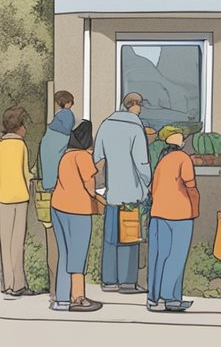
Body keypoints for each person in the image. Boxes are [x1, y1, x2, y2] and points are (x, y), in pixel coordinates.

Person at [93, 93, 151, 294]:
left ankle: (109, 280)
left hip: (111, 192)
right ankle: (127, 282)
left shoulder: (105, 124)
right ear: (136, 107)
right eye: (140, 105)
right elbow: (141, 162)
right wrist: (148, 181)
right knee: (129, 236)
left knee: (110, 238)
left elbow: (97, 158)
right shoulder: (135, 127)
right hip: (131, 192)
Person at [50, 120, 103, 312]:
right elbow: (90, 186)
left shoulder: (66, 156)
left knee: (64, 253)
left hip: (58, 206)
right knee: (78, 255)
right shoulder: (83, 157)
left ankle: (61, 299)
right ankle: (78, 297)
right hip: (77, 210)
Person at [146, 126, 199, 312]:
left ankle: (156, 298)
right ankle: (168, 296)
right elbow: (190, 185)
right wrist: (195, 206)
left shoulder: (162, 160)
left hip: (158, 213)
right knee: (176, 257)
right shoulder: (183, 159)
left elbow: (152, 189)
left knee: (160, 256)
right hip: (180, 214)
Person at [38, 92, 76, 296]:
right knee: (65, 242)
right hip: (63, 191)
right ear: (69, 103)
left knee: (52, 237)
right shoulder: (68, 123)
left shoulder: (48, 133)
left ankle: (55, 288)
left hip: (47, 188)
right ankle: (62, 290)